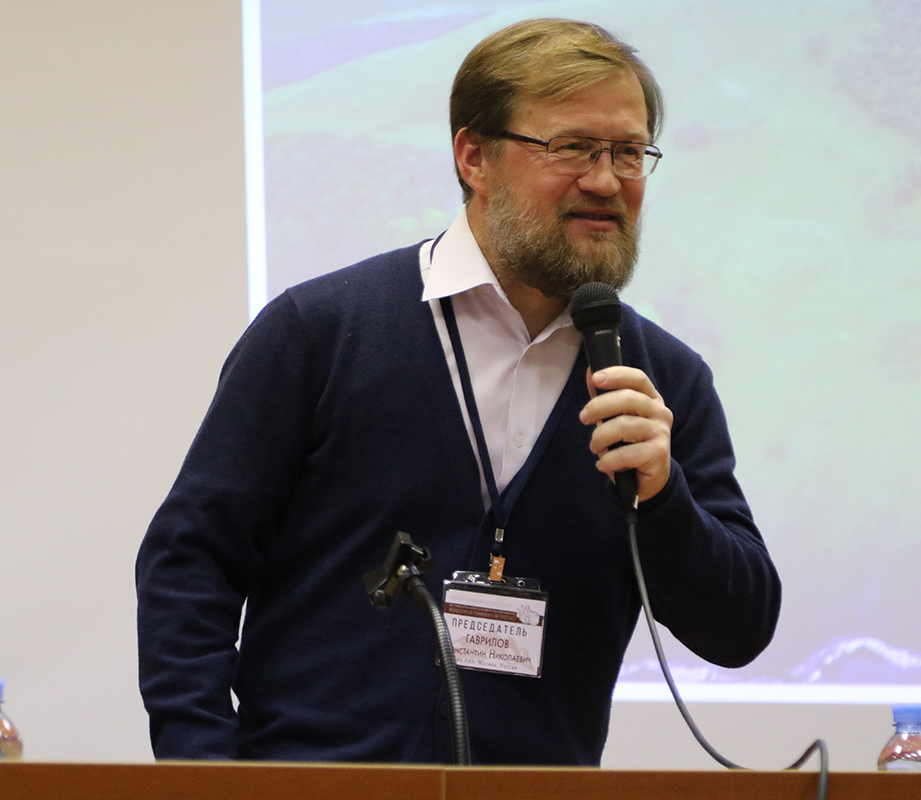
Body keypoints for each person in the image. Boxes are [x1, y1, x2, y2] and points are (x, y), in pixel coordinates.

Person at [135, 18, 780, 765]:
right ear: (474, 156)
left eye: (629, 153)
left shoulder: (663, 382)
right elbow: (192, 561)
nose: (607, 181)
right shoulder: (320, 332)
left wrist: (665, 501)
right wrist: (202, 767)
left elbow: (740, 628)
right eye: (573, 147)